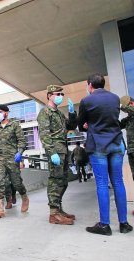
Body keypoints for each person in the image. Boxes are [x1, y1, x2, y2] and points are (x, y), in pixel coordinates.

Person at [78, 73, 133, 236]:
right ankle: (124, 224)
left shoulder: (86, 101)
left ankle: (104, 225)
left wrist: (88, 125)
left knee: (102, 184)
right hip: (116, 142)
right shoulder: (115, 98)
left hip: (98, 145)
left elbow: (81, 125)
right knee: (118, 181)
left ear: (89, 85)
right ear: (103, 83)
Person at [37, 85, 77, 225]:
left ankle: (58, 209)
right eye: (57, 94)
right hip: (55, 151)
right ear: (49, 95)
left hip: (64, 150)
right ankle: (53, 214)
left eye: (62, 94)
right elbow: (44, 134)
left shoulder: (59, 114)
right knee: (55, 181)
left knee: (63, 181)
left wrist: (72, 113)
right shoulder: (45, 112)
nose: (60, 96)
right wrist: (52, 152)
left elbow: (71, 127)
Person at [0, 104, 29, 219]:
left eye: (0, 111)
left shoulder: (14, 125)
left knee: (16, 183)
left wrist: (19, 152)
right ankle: (0, 209)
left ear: (6, 113)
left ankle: (25, 198)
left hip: (12, 158)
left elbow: (22, 140)